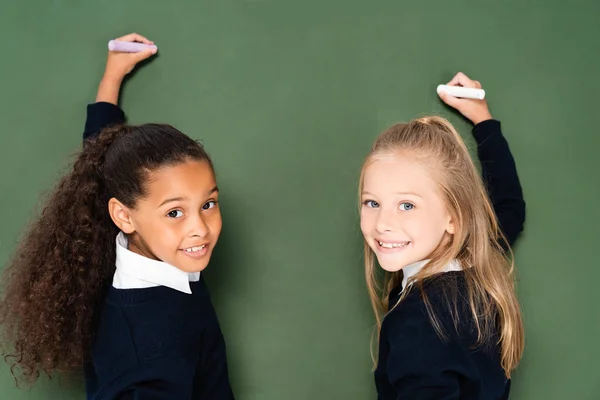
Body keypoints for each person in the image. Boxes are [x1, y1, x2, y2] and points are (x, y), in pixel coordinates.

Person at [0, 33, 235, 399]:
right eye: (175, 212)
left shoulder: (110, 241)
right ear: (124, 216)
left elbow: (98, 159)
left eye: (208, 204)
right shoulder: (152, 357)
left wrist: (111, 78)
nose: (199, 229)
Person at [360, 72, 525, 399]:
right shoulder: (477, 260)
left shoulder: (419, 321)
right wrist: (483, 120)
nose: (383, 223)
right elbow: (509, 209)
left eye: (407, 205)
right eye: (372, 202)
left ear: (454, 216)